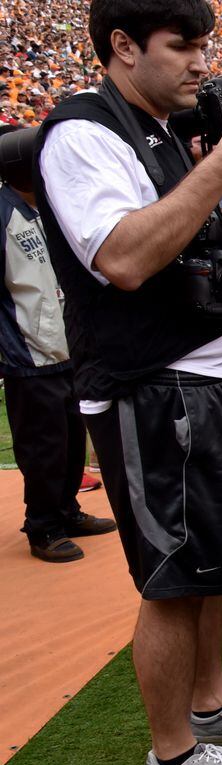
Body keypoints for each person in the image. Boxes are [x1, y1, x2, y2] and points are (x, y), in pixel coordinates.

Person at [34, 0, 222, 765]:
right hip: (153, 384)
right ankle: (172, 759)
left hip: (205, 373)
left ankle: (212, 705)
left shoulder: (154, 123)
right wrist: (221, 171)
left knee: (211, 566)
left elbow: (168, 232)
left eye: (202, 47)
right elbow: (121, 257)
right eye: (181, 46)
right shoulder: (83, 131)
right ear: (122, 46)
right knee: (172, 576)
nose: (199, 64)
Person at [1, 124, 117, 563]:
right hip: (28, 354)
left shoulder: (46, 208)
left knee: (71, 439)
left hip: (67, 346)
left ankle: (67, 510)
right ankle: (42, 525)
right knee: (42, 447)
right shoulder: (3, 211)